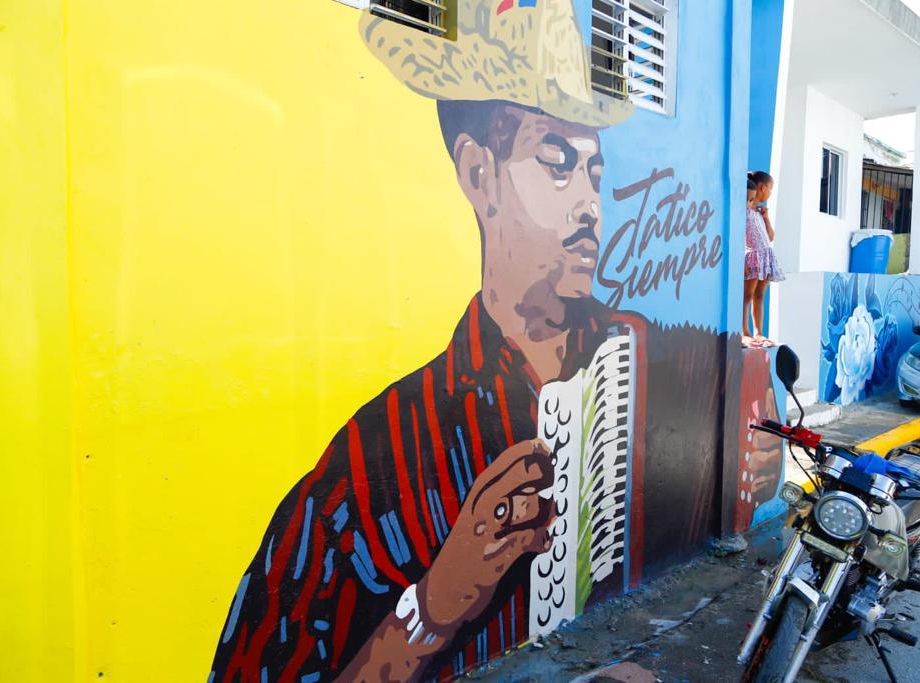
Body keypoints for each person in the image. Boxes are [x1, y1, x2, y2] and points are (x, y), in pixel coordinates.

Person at [210, 2, 728, 680]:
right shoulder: (371, 467)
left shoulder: (652, 357)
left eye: (594, 173)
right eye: (556, 162)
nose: (590, 204)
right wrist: (433, 603)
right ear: (478, 174)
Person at [743, 171, 784, 347]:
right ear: (763, 187)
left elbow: (771, 236)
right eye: (770, 190)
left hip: (766, 256)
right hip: (753, 256)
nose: (770, 194)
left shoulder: (760, 212)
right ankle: (744, 332)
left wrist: (766, 218)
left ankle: (759, 333)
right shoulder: (745, 209)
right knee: (747, 295)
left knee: (760, 295)